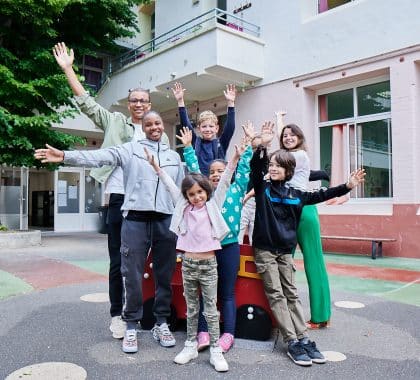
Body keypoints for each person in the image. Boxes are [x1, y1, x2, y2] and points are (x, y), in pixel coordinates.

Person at [35, 111, 184, 354]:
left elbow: (180, 191)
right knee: (132, 276)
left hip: (165, 221)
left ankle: (161, 323)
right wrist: (64, 156)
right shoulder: (129, 150)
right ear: (143, 127)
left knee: (164, 275)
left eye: (158, 123)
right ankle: (131, 326)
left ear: (163, 127)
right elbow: (97, 157)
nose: (154, 127)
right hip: (135, 219)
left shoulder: (174, 157)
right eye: (149, 124)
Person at [53, 42, 170, 340]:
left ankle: (156, 317)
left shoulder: (158, 132)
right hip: (118, 200)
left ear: (150, 103)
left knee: (155, 261)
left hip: (152, 205)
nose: (139, 104)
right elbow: (87, 103)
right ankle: (118, 315)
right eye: (134, 100)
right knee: (120, 262)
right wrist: (68, 69)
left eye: (144, 100)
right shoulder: (115, 122)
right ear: (128, 104)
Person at [250, 128, 366, 366]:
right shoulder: (263, 190)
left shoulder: (297, 194)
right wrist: (261, 146)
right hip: (265, 250)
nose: (272, 168)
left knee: (291, 293)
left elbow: (323, 194)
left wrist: (347, 186)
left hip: (283, 252)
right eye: (271, 165)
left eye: (277, 166)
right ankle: (292, 341)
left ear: (288, 171)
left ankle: (303, 338)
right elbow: (256, 168)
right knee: (276, 294)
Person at [144, 141, 246, 372]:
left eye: (200, 192)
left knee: (210, 308)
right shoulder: (184, 208)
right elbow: (171, 186)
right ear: (186, 196)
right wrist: (156, 168)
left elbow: (226, 178)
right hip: (189, 264)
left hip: (209, 264)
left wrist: (235, 160)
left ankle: (216, 351)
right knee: (192, 307)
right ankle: (190, 344)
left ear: (207, 191)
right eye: (191, 194)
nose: (196, 197)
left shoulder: (213, 205)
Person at [177, 123, 254, 353]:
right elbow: (193, 171)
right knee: (205, 293)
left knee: (227, 293)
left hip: (229, 247)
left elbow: (243, 168)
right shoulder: (207, 197)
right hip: (207, 250)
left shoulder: (237, 188)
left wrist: (248, 144)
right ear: (207, 179)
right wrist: (189, 148)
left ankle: (228, 334)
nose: (217, 175)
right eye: (212, 173)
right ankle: (203, 332)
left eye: (221, 171)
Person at [276, 111, 331, 329]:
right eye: (285, 135)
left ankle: (320, 315)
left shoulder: (298, 156)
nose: (288, 137)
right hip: (287, 212)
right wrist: (280, 123)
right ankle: (283, 314)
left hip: (303, 210)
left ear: (300, 138)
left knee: (312, 262)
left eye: (292, 135)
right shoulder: (292, 157)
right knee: (282, 261)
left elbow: (278, 163)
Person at [171, 81, 236, 176]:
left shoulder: (221, 144)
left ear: (217, 128)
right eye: (204, 126)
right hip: (199, 184)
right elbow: (186, 124)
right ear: (199, 128)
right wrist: (180, 101)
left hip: (216, 184)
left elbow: (230, 128)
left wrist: (231, 103)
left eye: (211, 126)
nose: (207, 129)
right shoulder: (195, 142)